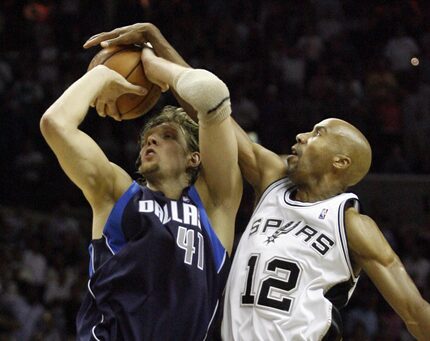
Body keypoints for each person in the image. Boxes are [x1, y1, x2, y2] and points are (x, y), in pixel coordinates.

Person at [84, 23, 430, 340]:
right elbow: (213, 111)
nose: (302, 135)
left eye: (317, 133)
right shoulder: (272, 180)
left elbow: (415, 314)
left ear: (341, 162)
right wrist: (159, 45)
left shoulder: (350, 223)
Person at [40, 32, 242, 339]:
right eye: (149, 137)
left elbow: (211, 96)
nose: (152, 140)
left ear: (193, 158)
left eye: (167, 136)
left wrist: (152, 63)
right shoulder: (118, 194)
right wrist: (101, 75)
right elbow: (55, 124)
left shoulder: (214, 208)